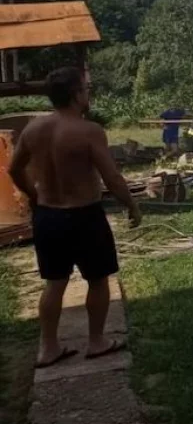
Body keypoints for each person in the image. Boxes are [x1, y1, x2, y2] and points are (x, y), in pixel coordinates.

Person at [9, 67, 141, 368]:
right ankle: (96, 341)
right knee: (97, 278)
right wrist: (132, 206)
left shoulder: (33, 129)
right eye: (85, 89)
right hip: (85, 215)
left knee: (54, 283)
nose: (88, 94)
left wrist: (33, 195)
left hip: (48, 216)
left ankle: (49, 348)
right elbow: (112, 177)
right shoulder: (89, 131)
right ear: (75, 95)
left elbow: (14, 170)